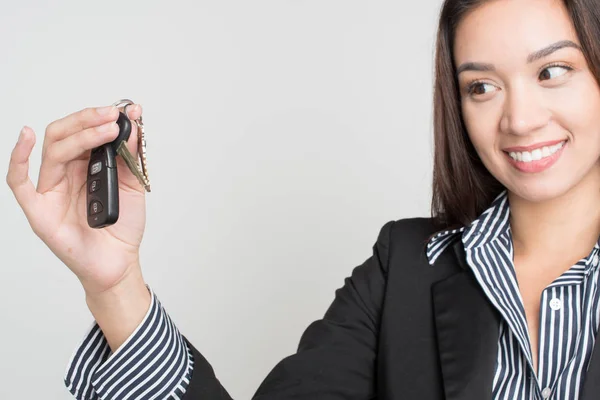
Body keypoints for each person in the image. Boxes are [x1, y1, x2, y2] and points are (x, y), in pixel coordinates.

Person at [7, 0, 600, 398]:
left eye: (553, 71)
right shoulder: (404, 268)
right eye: (481, 86)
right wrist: (115, 287)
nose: (520, 119)